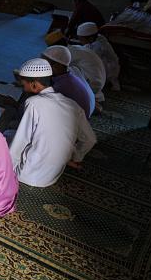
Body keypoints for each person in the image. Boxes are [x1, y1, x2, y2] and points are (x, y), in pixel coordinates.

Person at [10, 58, 97, 187]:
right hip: (53, 176)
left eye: (24, 85)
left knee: (6, 134)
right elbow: (90, 139)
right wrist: (76, 157)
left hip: (26, 174)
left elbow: (21, 140)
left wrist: (7, 168)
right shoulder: (72, 104)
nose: (23, 88)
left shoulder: (34, 103)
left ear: (34, 85)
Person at [46, 31, 106, 111]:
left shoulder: (66, 54)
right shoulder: (74, 48)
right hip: (99, 81)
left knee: (64, 71)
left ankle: (90, 101)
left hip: (94, 85)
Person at [42, 45, 95, 118]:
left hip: (78, 122)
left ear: (58, 65)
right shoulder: (70, 74)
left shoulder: (62, 85)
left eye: (45, 64)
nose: (42, 67)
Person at [77, 21, 121, 91]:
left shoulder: (99, 46)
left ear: (90, 38)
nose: (80, 41)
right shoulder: (97, 39)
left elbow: (89, 59)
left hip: (109, 70)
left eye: (81, 39)